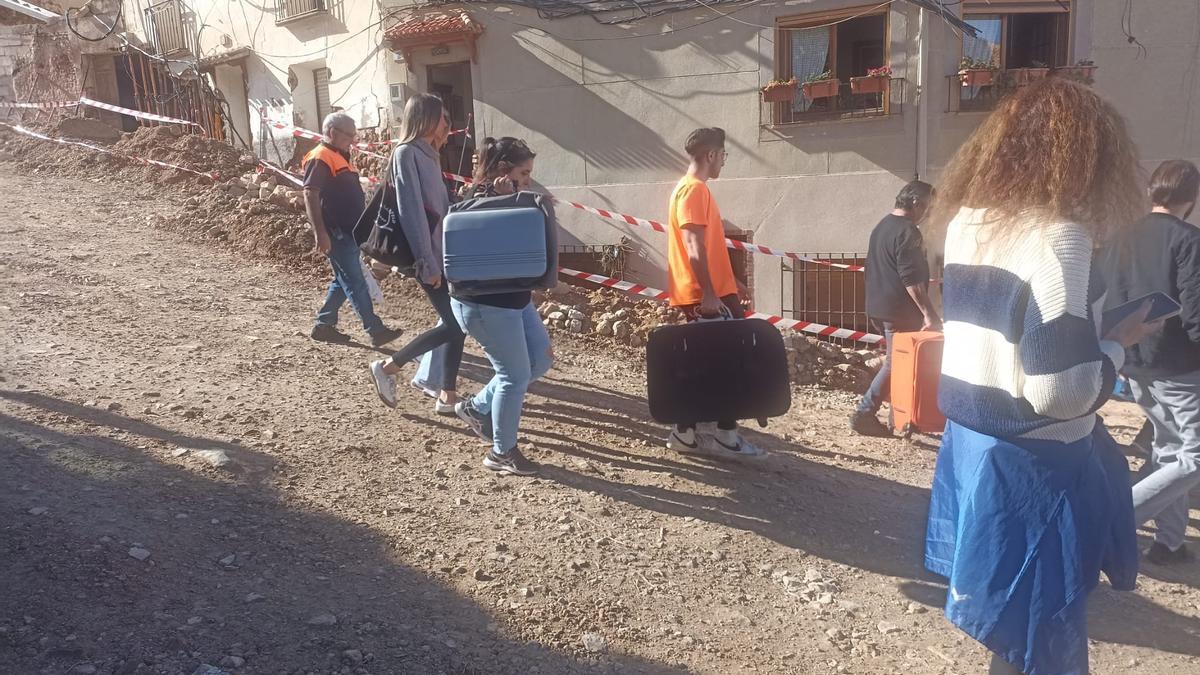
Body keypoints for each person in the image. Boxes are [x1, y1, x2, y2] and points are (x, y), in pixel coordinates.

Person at [924, 78, 1161, 675]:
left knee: (1006, 618)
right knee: (1037, 630)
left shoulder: (968, 221)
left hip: (973, 444)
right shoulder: (1059, 239)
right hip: (1036, 462)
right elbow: (1061, 390)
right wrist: (1115, 346)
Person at [1098, 159, 1200, 565]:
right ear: (1191, 198)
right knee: (1194, 455)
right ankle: (1115, 521)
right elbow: (1195, 313)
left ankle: (1170, 543)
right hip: (1179, 366)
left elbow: (1103, 301)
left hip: (1132, 360)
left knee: (1169, 448)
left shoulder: (1120, 239)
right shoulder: (1189, 241)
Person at [450, 137, 550, 476]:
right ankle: (501, 453)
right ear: (504, 171)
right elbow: (466, 226)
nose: (528, 180)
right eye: (524, 173)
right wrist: (495, 197)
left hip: (514, 299)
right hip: (485, 304)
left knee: (540, 359)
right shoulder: (475, 198)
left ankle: (477, 408)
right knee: (514, 374)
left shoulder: (515, 199)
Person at [663, 127, 763, 458]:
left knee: (710, 364)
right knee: (731, 363)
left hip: (714, 292)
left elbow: (707, 246)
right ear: (711, 155)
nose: (724, 162)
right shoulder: (693, 191)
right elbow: (693, 247)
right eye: (723, 156)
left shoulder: (690, 189)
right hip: (704, 296)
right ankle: (723, 436)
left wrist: (733, 282)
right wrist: (709, 293)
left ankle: (689, 433)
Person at [369, 94, 466, 415]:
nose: (447, 125)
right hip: (427, 259)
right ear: (425, 119)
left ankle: (447, 395)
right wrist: (426, 262)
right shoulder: (407, 154)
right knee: (454, 324)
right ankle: (388, 367)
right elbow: (411, 212)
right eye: (442, 118)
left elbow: (440, 210)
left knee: (458, 324)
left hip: (444, 256)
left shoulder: (430, 155)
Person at [850, 180, 940, 437]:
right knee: (896, 364)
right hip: (899, 310)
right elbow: (910, 278)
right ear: (915, 203)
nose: (929, 213)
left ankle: (897, 418)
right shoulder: (908, 232)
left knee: (898, 361)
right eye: (929, 207)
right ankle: (865, 413)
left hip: (880, 306)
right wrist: (929, 313)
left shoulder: (882, 226)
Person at [304, 112, 402, 347]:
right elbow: (310, 193)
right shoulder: (320, 157)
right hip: (336, 231)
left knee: (343, 279)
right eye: (349, 135)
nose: (353, 139)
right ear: (332, 133)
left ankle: (324, 325)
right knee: (355, 281)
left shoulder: (339, 156)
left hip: (349, 230)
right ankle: (375, 330)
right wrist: (320, 233)